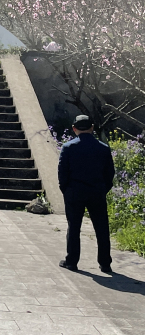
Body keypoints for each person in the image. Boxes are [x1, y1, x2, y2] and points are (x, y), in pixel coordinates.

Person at [58, 114, 115, 273]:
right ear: (92, 128)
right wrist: (103, 189)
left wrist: (66, 190)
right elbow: (110, 173)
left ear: (74, 129)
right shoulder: (103, 148)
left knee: (74, 227)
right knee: (101, 228)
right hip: (97, 191)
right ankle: (105, 263)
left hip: (74, 191)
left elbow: (62, 173)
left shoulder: (68, 148)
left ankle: (71, 261)